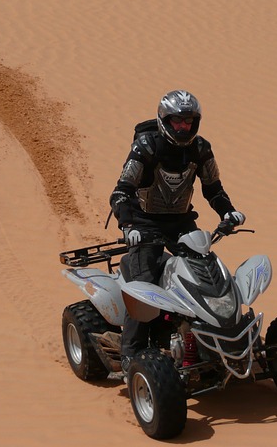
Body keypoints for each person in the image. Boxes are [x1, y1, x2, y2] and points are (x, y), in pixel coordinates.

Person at [109, 89, 246, 375]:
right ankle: (130, 354)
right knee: (143, 288)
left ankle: (213, 339)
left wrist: (228, 212)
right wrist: (129, 226)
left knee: (205, 276)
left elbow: (213, 189)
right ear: (164, 120)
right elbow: (121, 192)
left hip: (182, 222)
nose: (184, 126)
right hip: (145, 225)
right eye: (177, 121)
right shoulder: (146, 147)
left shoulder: (201, 149)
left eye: (189, 121)